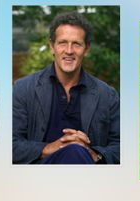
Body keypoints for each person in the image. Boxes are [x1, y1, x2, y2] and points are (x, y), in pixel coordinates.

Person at [13, 11, 120, 164]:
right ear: (52, 46)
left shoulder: (107, 95)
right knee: (74, 151)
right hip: (39, 176)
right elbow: (10, 144)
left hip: (89, 173)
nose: (69, 50)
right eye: (62, 43)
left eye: (76, 44)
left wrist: (93, 154)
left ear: (87, 49)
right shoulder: (23, 89)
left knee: (76, 152)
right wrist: (50, 148)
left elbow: (122, 147)